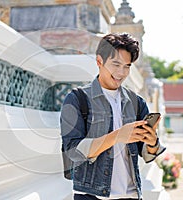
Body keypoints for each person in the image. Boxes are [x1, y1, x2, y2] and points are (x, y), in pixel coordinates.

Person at [60, 32, 166, 200]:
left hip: (131, 195)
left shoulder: (137, 102)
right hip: (91, 196)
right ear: (99, 62)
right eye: (116, 64)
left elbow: (146, 154)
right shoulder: (77, 99)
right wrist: (117, 136)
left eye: (127, 66)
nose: (121, 72)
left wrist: (152, 142)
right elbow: (73, 152)